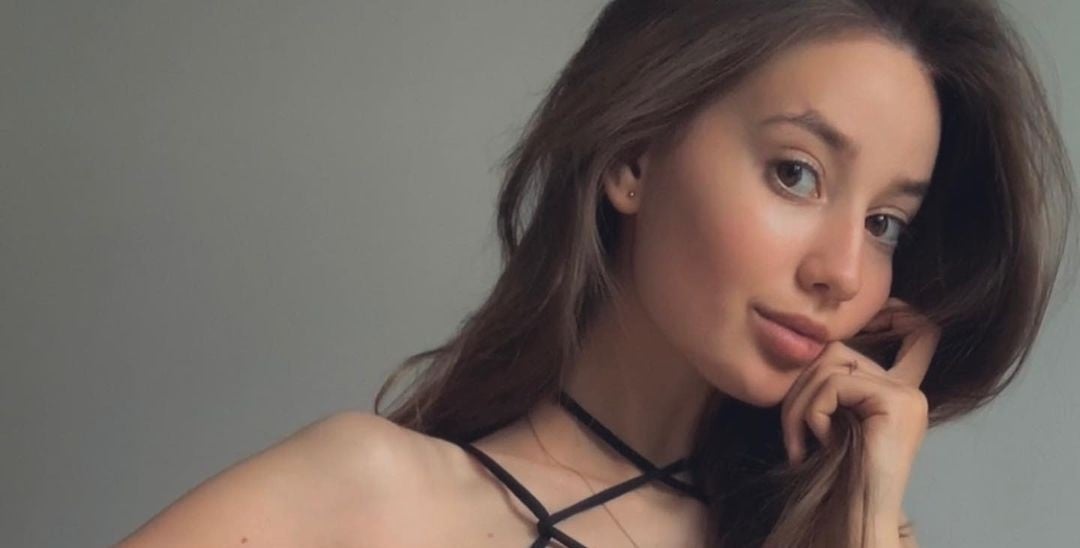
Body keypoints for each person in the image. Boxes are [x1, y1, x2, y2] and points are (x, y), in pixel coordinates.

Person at [117, 0, 1076, 546]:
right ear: (633, 157)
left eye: (884, 223)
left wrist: (868, 510)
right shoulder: (373, 499)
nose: (843, 270)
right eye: (796, 173)